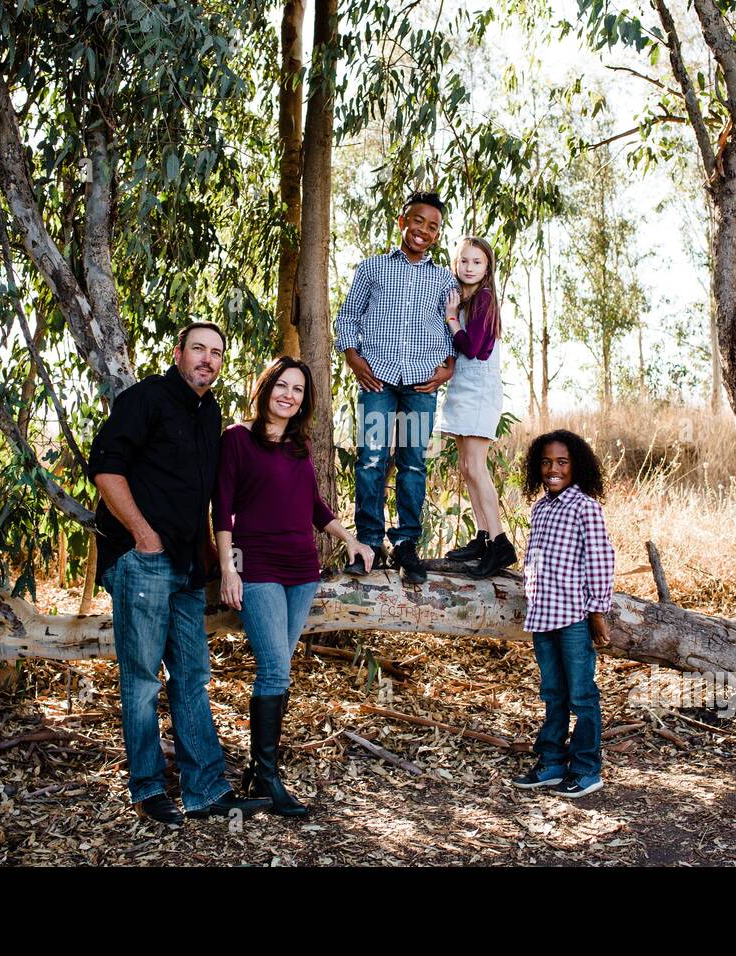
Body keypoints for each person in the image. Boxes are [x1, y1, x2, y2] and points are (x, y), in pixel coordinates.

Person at [87, 322, 270, 827]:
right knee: (142, 679)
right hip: (142, 562)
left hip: (188, 568)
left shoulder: (209, 413)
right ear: (178, 353)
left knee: (191, 677)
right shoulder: (144, 399)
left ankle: (206, 789)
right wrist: (144, 537)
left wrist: (210, 550)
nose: (207, 360)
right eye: (199, 350)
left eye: (216, 353)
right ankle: (147, 788)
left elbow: (202, 491)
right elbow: (105, 469)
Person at [213, 356, 375, 817]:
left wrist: (351, 540)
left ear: (304, 400)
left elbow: (316, 508)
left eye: (298, 390)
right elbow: (221, 508)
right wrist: (228, 568)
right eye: (282, 385)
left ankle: (258, 772)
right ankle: (267, 775)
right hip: (257, 567)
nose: (289, 394)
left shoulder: (298, 447)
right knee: (275, 669)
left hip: (302, 571)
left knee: (279, 670)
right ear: (266, 388)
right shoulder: (236, 439)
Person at [334, 190, 459, 584]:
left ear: (438, 235)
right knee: (371, 459)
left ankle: (406, 544)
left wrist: (449, 367)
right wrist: (353, 358)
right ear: (403, 221)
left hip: (421, 384)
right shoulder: (372, 268)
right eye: (418, 221)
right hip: (377, 380)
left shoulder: (443, 279)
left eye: (433, 226)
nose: (424, 230)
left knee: (413, 463)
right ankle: (368, 544)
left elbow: (454, 327)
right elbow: (348, 316)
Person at [512, 429, 616, 799]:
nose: (552, 469)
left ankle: (587, 768)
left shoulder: (584, 506)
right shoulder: (540, 508)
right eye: (545, 462)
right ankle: (552, 762)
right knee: (552, 692)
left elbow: (601, 562)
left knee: (582, 695)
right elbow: (534, 561)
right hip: (542, 617)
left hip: (572, 617)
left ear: (576, 466)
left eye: (561, 462)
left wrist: (597, 612)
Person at [434, 236, 517, 578]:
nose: (469, 267)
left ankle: (500, 544)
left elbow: (475, 349)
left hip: (479, 389)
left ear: (487, 269)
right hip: (462, 387)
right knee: (467, 468)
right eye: (464, 261)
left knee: (477, 468)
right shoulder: (466, 298)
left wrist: (452, 318)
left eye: (477, 262)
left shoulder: (483, 299)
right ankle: (483, 537)